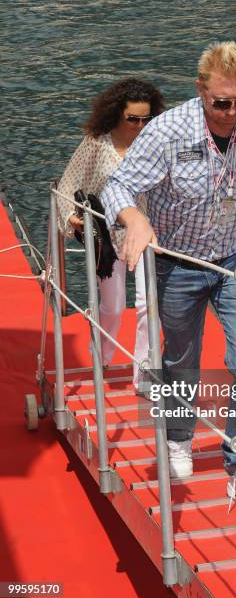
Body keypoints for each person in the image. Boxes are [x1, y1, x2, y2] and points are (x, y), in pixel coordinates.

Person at [101, 41, 236, 515]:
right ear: (201, 90)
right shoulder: (166, 132)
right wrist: (135, 220)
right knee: (182, 357)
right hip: (177, 261)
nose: (232, 112)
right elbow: (117, 185)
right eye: (222, 102)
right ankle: (179, 437)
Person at [57, 78, 165, 391]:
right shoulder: (96, 143)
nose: (140, 125)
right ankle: (100, 359)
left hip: (146, 234)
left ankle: (144, 374)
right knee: (113, 307)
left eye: (147, 118)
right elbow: (69, 185)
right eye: (133, 119)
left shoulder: (155, 141)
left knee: (149, 304)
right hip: (107, 238)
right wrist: (71, 218)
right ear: (117, 114)